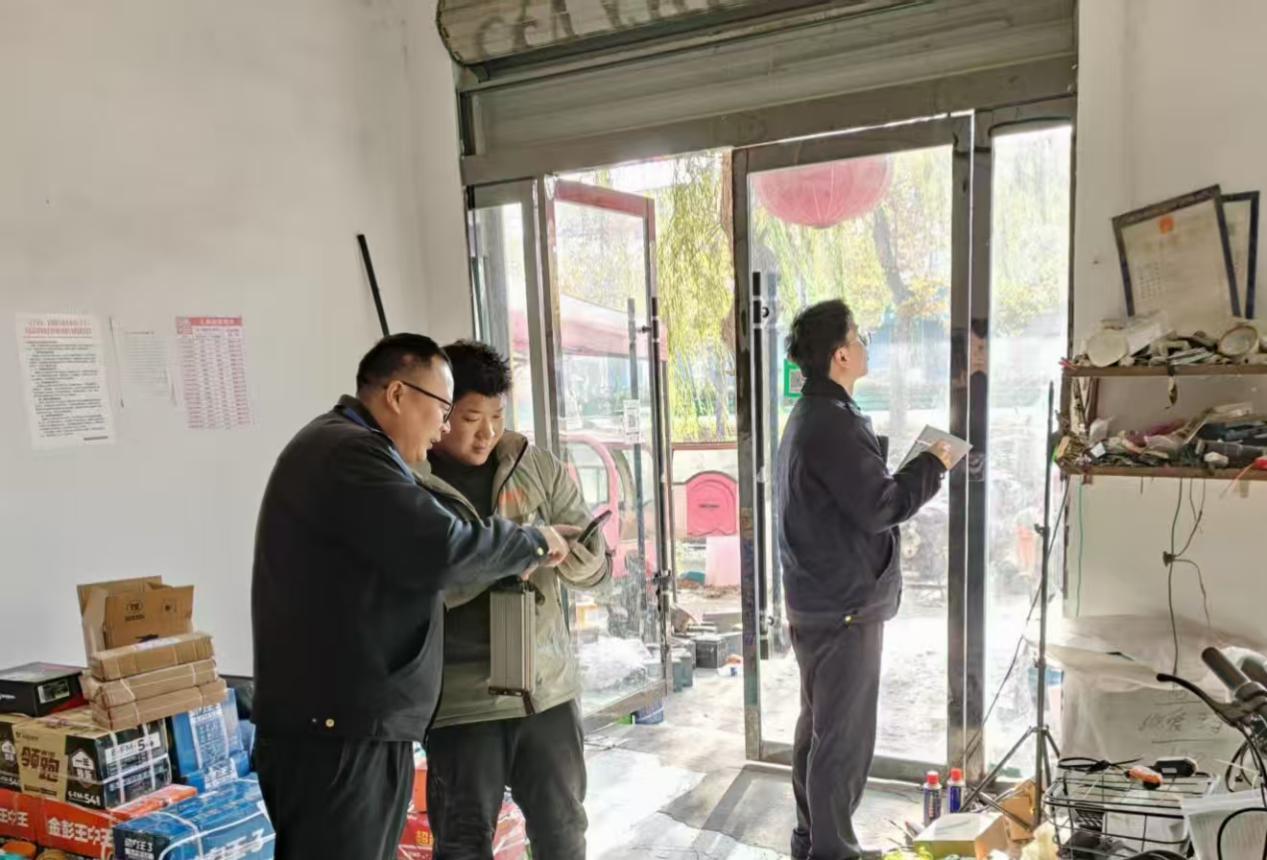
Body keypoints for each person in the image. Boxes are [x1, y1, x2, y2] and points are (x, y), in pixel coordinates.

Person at [251, 334, 578, 860]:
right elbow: (442, 551)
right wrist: (534, 541)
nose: (444, 428)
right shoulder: (353, 455)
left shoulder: (342, 448)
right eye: (446, 411)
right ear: (399, 395)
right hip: (338, 732)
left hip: (345, 723)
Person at [776, 300, 952, 860]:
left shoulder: (811, 414)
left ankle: (813, 842)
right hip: (844, 607)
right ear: (841, 355)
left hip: (818, 601)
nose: (865, 344)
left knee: (819, 730)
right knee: (842, 741)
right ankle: (834, 852)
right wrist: (934, 461)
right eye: (859, 336)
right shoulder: (832, 421)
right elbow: (882, 506)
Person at [421, 340, 610, 860]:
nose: (486, 432)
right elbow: (425, 581)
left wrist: (576, 554)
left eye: (497, 416)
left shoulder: (534, 464)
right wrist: (521, 548)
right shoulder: (414, 479)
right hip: (461, 700)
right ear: (440, 411)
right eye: (470, 418)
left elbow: (597, 572)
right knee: (462, 840)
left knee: (563, 831)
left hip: (545, 690)